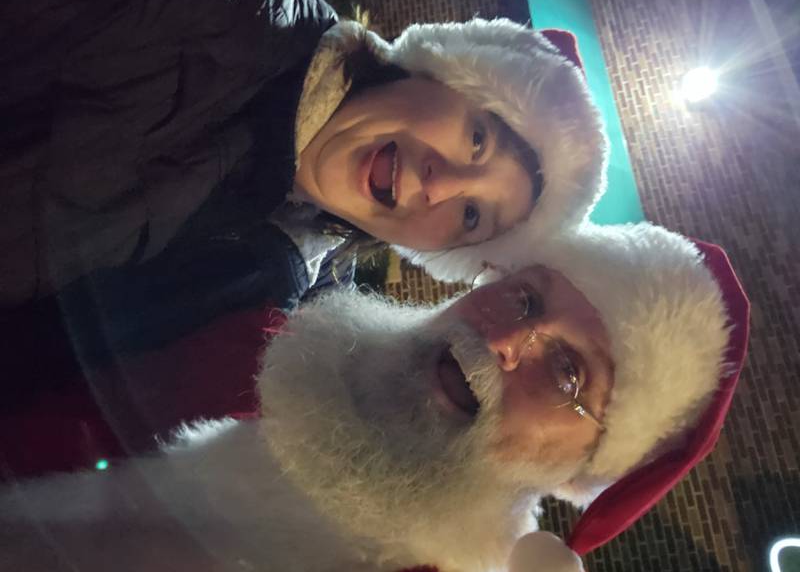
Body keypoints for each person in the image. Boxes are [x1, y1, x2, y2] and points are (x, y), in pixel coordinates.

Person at [0, 222, 749, 572]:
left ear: (583, 471)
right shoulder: (248, 332)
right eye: (524, 300)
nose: (502, 341)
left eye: (568, 376)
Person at [0, 0, 607, 363]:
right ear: (441, 72)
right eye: (477, 139)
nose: (441, 183)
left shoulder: (265, 298)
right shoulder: (211, 0)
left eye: (473, 216)